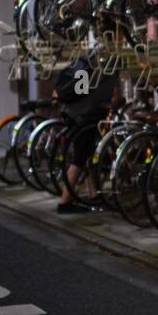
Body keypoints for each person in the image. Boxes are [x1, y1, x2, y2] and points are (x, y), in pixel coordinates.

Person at [53, 54, 119, 214]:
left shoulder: (90, 57)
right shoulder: (111, 61)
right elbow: (107, 92)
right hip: (85, 115)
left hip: (72, 111)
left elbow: (81, 89)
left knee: (87, 153)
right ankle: (65, 202)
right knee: (80, 158)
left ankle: (93, 193)